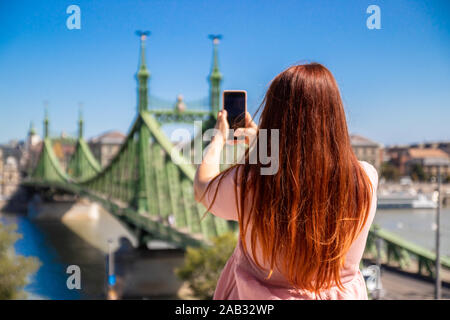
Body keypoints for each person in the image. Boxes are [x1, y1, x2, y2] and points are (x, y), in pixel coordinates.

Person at [194, 63, 378, 300]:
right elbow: (304, 168)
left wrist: (218, 139)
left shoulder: (250, 183)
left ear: (274, 116)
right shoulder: (366, 180)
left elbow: (202, 187)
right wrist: (262, 141)